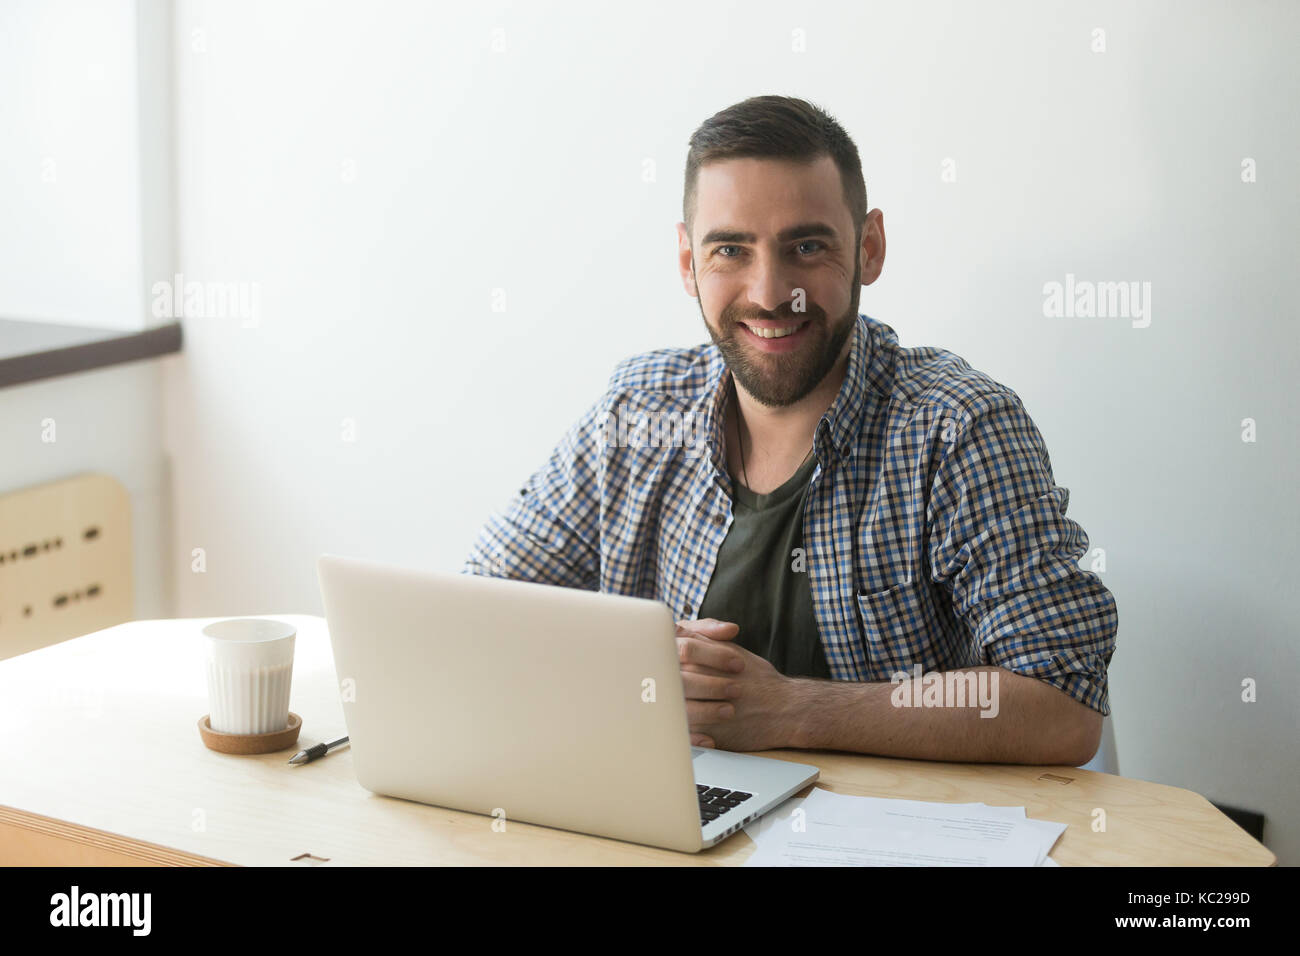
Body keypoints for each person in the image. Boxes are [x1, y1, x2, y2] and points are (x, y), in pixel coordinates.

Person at [464, 94, 1117, 765]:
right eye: (730, 251)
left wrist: (792, 710)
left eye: (806, 247)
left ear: (869, 248)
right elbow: (475, 615)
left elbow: (1062, 706)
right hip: (668, 826)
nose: (771, 292)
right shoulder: (637, 413)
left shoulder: (957, 429)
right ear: (689, 263)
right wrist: (625, 676)